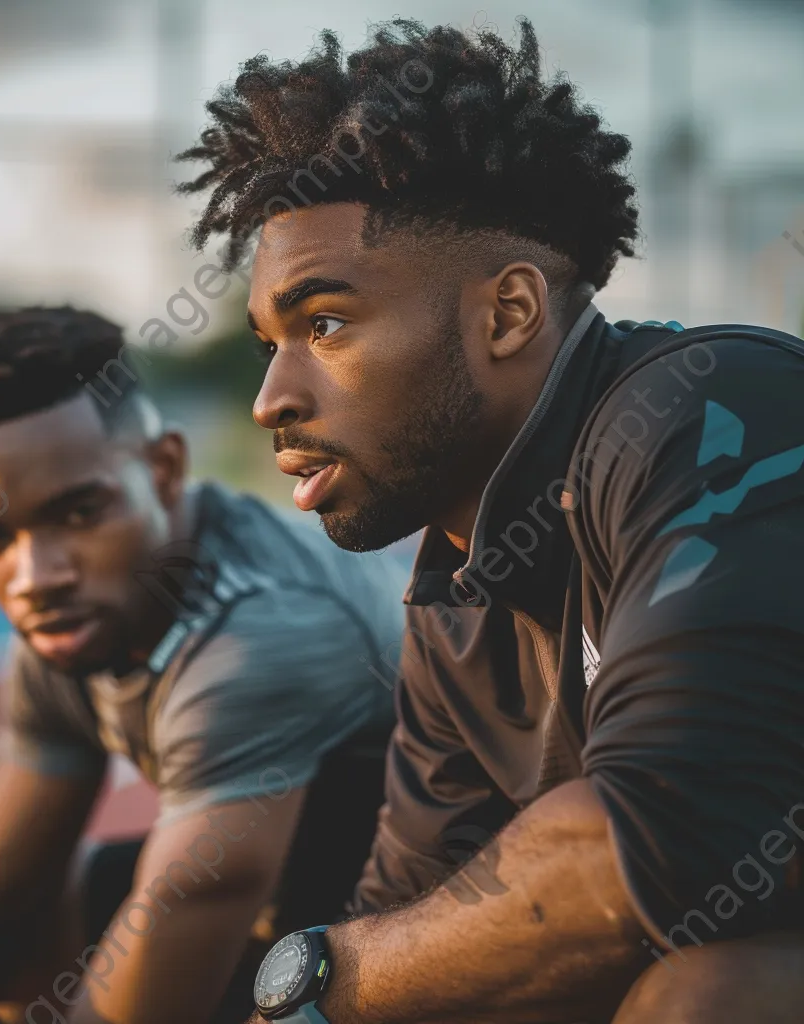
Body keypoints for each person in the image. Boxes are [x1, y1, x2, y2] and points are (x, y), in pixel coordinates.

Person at [176, 15, 804, 1024]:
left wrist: (314, 979)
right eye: (268, 343)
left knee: (706, 995)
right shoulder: (452, 591)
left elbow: (652, 840)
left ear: (507, 313)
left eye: (323, 323)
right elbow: (412, 918)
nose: (272, 398)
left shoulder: (707, 407)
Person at [0, 307, 407, 1024]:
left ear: (164, 469)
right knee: (23, 915)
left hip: (428, 917)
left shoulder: (262, 630)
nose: (34, 574)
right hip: (274, 893)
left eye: (78, 513)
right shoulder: (69, 617)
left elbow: (176, 931)